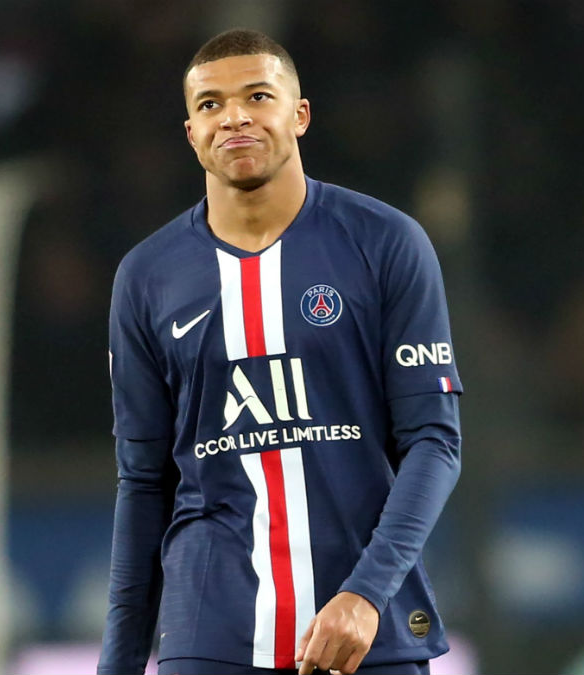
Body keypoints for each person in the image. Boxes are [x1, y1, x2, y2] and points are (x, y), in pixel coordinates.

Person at [100, 29, 462, 675]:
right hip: (211, 630)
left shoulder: (385, 242)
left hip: (364, 631)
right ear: (191, 132)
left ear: (299, 114)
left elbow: (433, 441)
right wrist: (118, 663)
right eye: (210, 104)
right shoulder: (148, 275)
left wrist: (363, 593)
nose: (234, 116)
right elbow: (144, 480)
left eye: (257, 96)